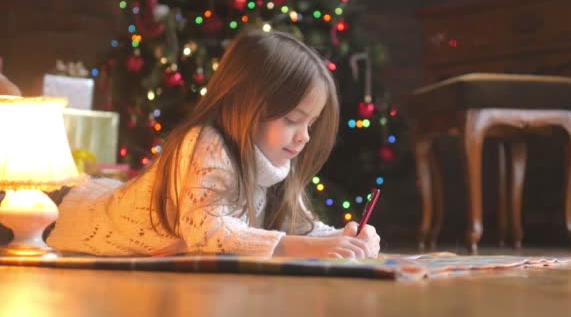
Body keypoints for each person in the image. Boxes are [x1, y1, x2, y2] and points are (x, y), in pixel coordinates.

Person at [47, 30, 381, 258]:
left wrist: (346, 237)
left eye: (310, 124)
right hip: (63, 216)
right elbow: (209, 233)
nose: (304, 136)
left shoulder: (273, 164)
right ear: (245, 105)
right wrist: (315, 248)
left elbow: (301, 229)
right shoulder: (205, 143)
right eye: (293, 119)